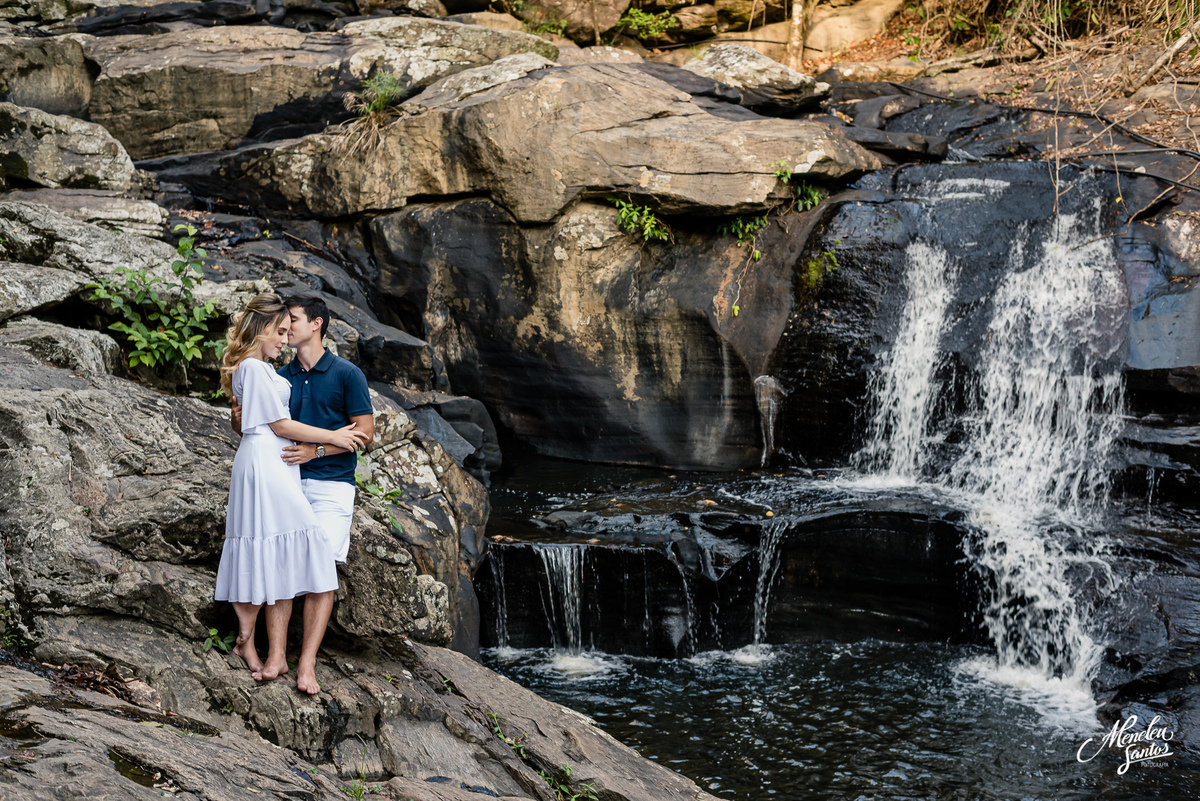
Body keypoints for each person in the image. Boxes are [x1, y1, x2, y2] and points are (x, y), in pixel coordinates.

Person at [216, 293, 369, 693]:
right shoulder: (275, 373)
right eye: (281, 328)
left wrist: (320, 448)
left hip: (331, 482)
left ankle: (307, 665)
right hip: (286, 476)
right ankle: (276, 655)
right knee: (282, 558)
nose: (287, 333)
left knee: (320, 568)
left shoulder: (347, 373)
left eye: (293, 323)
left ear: (316, 324)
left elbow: (364, 435)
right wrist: (239, 420)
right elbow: (266, 426)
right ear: (266, 329)